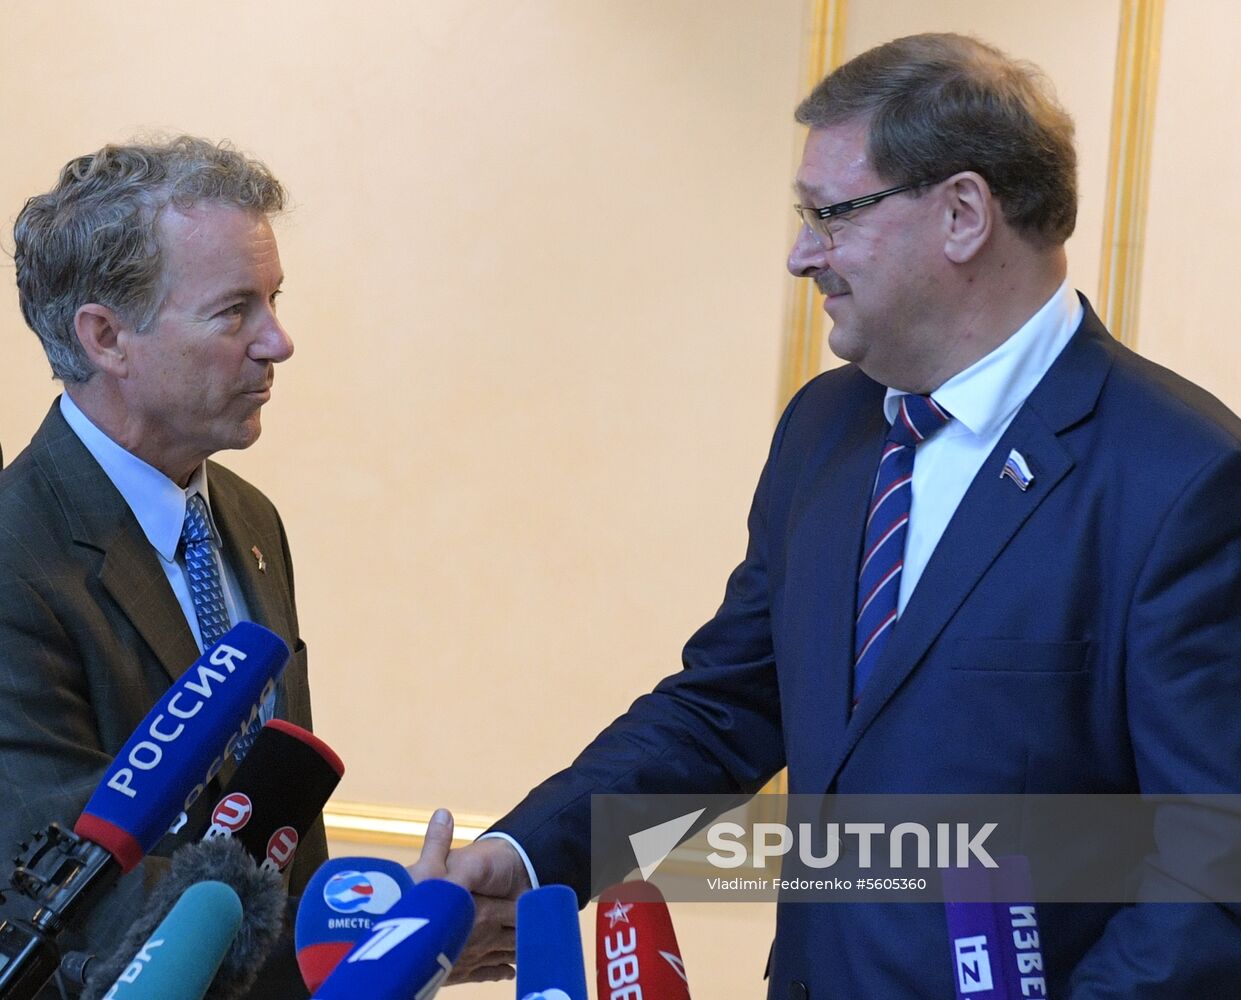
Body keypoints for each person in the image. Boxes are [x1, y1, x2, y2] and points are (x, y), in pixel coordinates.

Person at [419, 33, 1241, 996]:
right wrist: (527, 856)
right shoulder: (826, 428)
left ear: (963, 213)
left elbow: (1211, 868)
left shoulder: (1181, 478)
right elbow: (727, 707)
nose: (800, 255)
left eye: (828, 215)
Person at [0, 136, 325, 996]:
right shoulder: (10, 553)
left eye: (275, 301)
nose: (278, 342)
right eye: (235, 312)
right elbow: (76, 894)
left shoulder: (251, 521)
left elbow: (280, 806)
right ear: (106, 336)